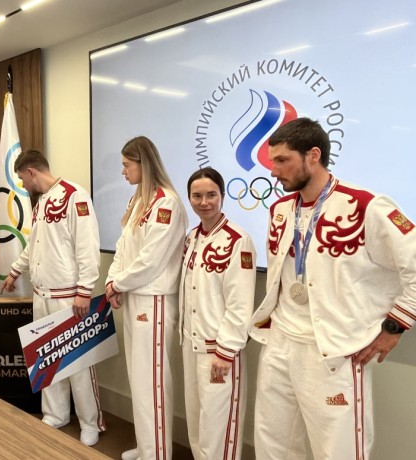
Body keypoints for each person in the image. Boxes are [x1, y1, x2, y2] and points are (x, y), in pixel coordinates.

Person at [250, 117, 416, 459]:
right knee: (272, 444)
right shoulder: (280, 209)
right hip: (281, 341)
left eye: (282, 160)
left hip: (332, 350)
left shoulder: (366, 205)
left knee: (337, 451)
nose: (273, 171)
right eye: (272, 161)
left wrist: (395, 326)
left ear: (313, 155)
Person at [2, 149, 105, 447]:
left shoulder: (75, 196)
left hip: (68, 296)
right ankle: (55, 413)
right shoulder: (42, 202)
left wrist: (84, 290)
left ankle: (90, 422)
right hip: (41, 294)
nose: (23, 185)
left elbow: (87, 247)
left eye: (22, 179)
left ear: (31, 171)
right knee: (47, 358)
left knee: (78, 361)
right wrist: (15, 270)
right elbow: (34, 244)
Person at [103, 137, 187, 460]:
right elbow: (123, 247)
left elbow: (150, 260)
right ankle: (147, 446)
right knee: (139, 380)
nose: (123, 171)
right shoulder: (138, 199)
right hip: (134, 296)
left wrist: (118, 284)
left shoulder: (167, 203)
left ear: (144, 163)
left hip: (154, 302)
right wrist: (112, 281)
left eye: (127, 165)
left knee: (153, 382)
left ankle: (157, 454)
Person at [179, 167, 255, 460]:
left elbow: (240, 302)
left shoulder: (238, 240)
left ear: (222, 196)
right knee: (197, 423)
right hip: (191, 343)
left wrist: (226, 351)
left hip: (218, 350)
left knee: (218, 429)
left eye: (211, 195)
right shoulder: (191, 239)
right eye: (197, 196)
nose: (204, 202)